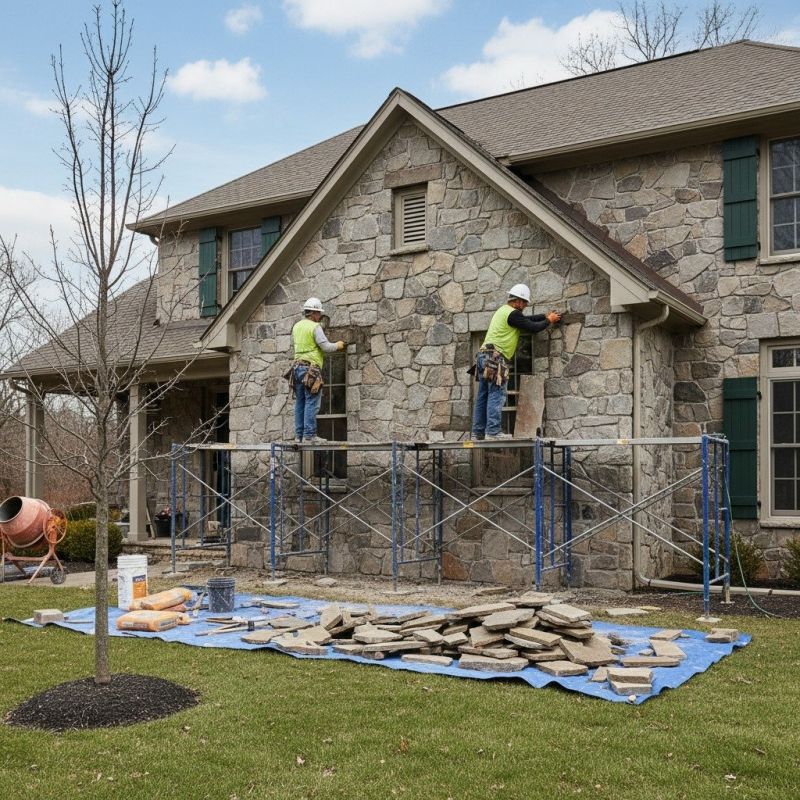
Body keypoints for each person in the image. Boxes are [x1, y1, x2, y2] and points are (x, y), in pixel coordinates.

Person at [471, 284, 561, 441]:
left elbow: (526, 320)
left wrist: (544, 316)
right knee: (497, 395)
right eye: (525, 303)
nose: (525, 306)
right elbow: (532, 327)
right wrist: (549, 321)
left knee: (483, 395)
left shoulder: (503, 311)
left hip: (483, 356)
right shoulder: (513, 314)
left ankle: (478, 432)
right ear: (518, 301)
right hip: (495, 358)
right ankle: (492, 432)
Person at [290, 297, 345, 443]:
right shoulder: (315, 327)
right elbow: (326, 347)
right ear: (313, 312)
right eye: (318, 313)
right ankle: (310, 435)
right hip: (310, 369)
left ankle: (299, 436)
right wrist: (338, 345)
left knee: (300, 402)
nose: (319, 316)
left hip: (296, 369)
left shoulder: (296, 326)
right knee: (311, 402)